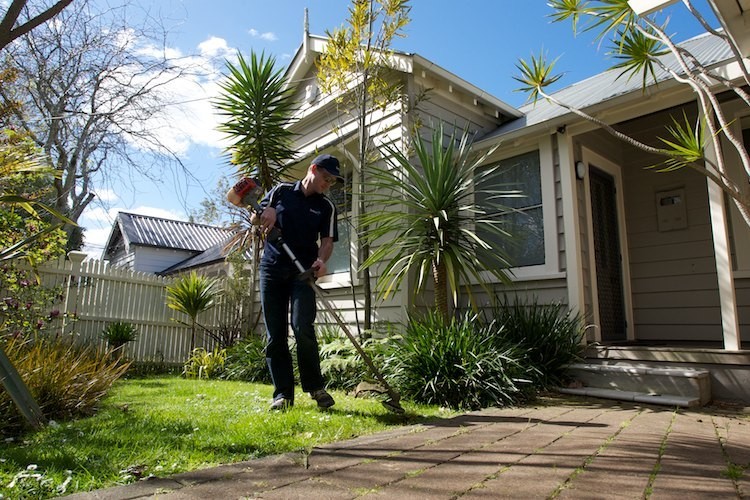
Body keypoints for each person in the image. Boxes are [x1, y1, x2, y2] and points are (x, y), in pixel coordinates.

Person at [251, 154, 342, 410]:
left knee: (303, 327)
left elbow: (326, 242)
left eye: (332, 182)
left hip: (304, 272)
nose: (327, 184)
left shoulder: (326, 207)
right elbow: (254, 219)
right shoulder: (280, 191)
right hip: (272, 269)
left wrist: (321, 262)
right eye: (326, 178)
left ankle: (315, 388)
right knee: (275, 334)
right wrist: (264, 212)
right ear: (313, 169)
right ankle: (282, 395)